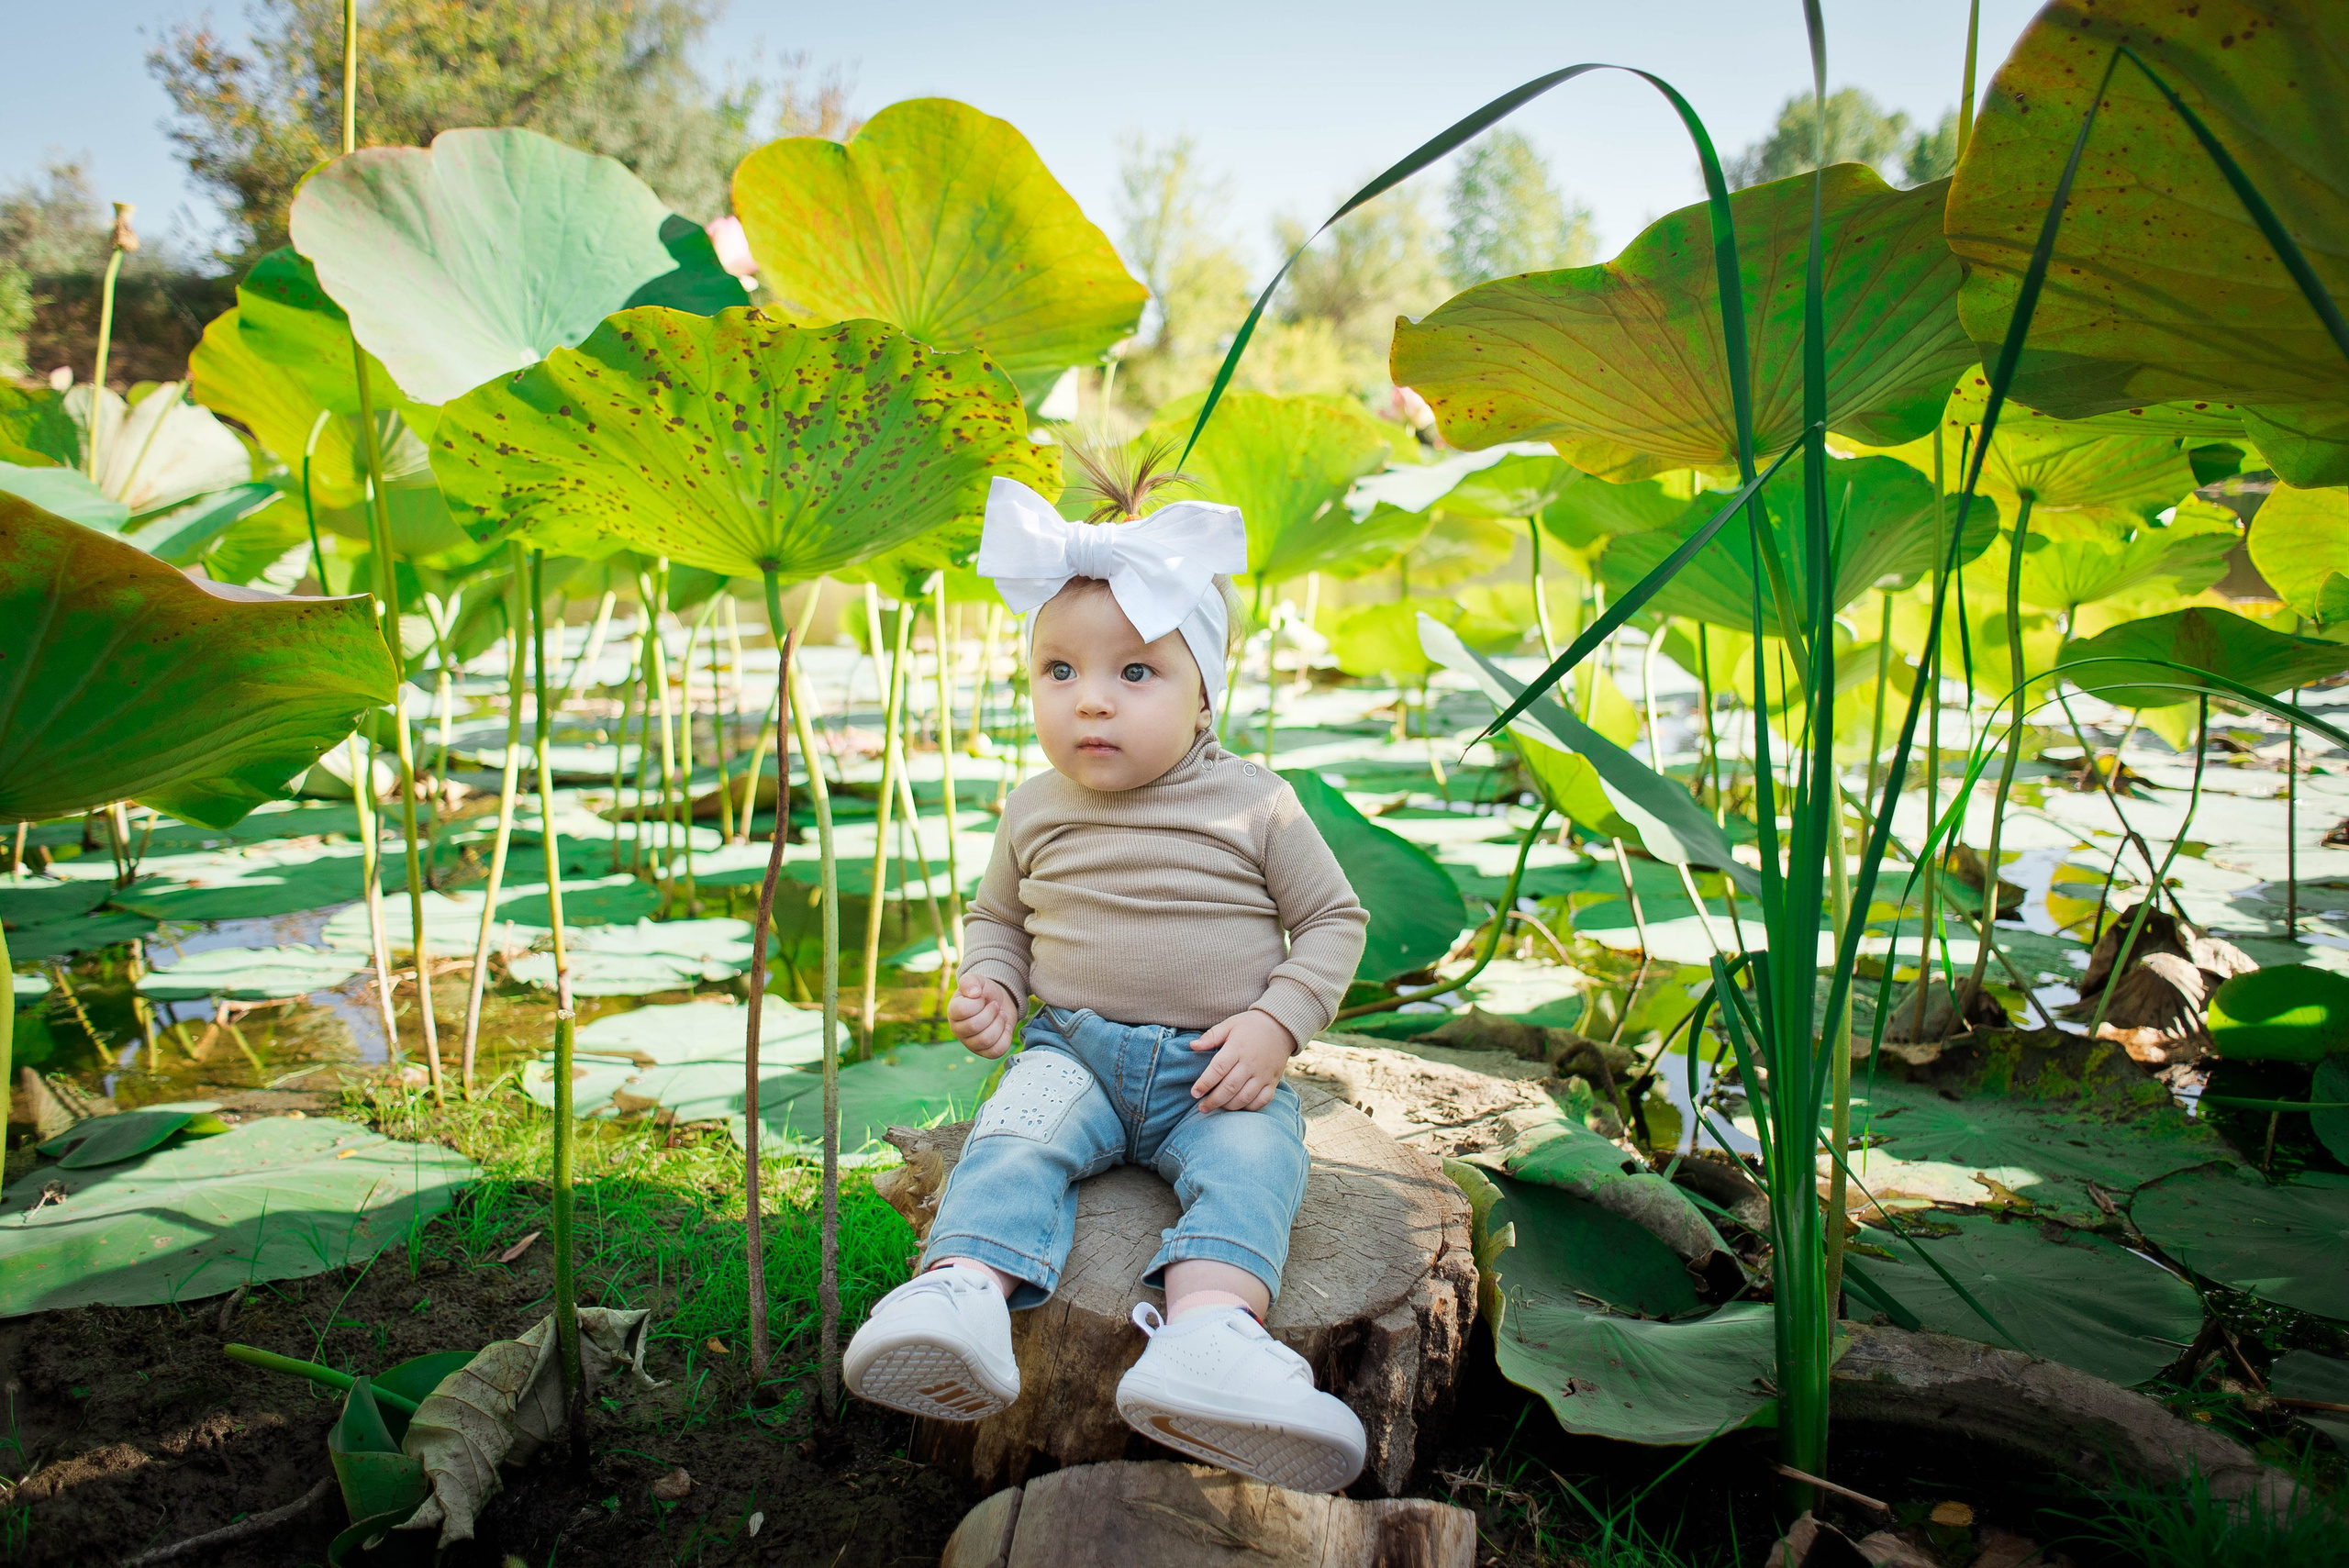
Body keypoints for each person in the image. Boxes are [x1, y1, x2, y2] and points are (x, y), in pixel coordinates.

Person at [841, 452, 1372, 1494]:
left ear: (1203, 689)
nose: (1091, 702)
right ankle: (959, 1292)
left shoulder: (1256, 802)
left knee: (1255, 1163)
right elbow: (997, 917)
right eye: (1060, 672)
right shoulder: (1032, 808)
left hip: (1217, 1061)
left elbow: (1332, 920)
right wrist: (991, 982)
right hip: (1072, 1047)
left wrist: (1276, 1023)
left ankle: (1207, 1331)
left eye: (1135, 673)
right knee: (1011, 1136)